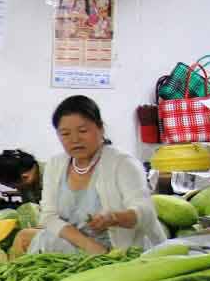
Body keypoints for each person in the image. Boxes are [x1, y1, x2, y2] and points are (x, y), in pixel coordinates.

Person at [31, 96, 167, 255]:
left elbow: (146, 212)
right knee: (44, 239)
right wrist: (89, 246)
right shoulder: (55, 165)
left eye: (83, 131)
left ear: (100, 128)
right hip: (83, 246)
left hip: (121, 252)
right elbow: (49, 217)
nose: (75, 139)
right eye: (65, 133)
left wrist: (115, 218)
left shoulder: (123, 163)